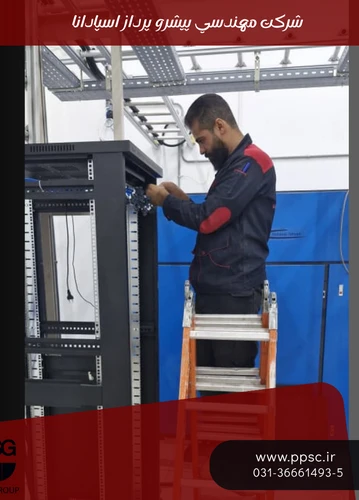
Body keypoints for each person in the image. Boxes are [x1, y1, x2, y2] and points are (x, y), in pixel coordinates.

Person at [146, 93, 277, 394]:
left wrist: (167, 203)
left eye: (202, 140)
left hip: (233, 295)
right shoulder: (234, 168)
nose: (201, 149)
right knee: (207, 385)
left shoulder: (251, 163)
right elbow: (220, 223)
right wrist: (182, 200)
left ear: (220, 126)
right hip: (216, 292)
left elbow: (209, 219)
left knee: (229, 388)